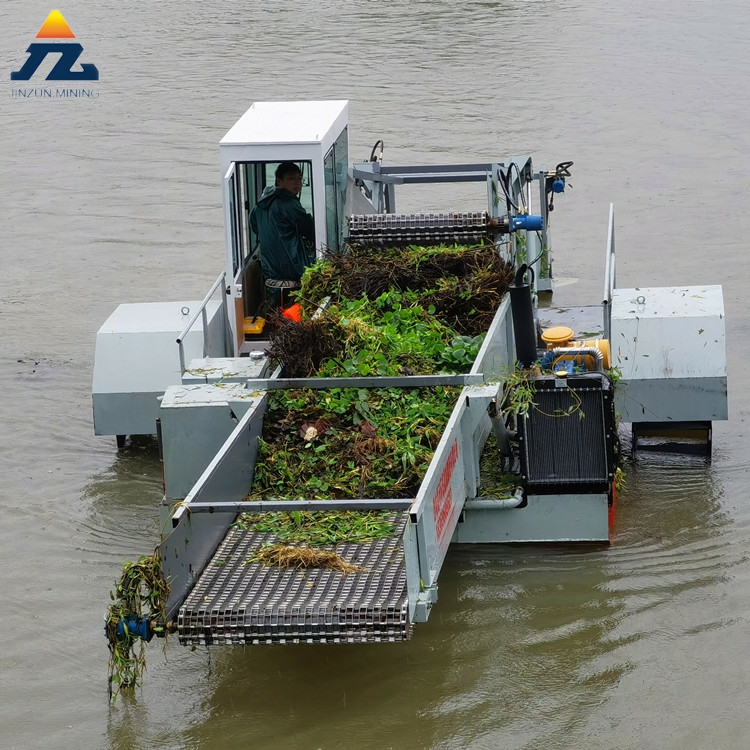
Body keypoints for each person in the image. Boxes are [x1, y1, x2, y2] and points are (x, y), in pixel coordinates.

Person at [249, 162, 316, 301]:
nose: (297, 183)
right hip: (293, 272)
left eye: (299, 178)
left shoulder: (259, 206)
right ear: (279, 181)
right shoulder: (289, 203)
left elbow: (255, 228)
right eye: (291, 178)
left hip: (270, 275)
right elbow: (311, 230)